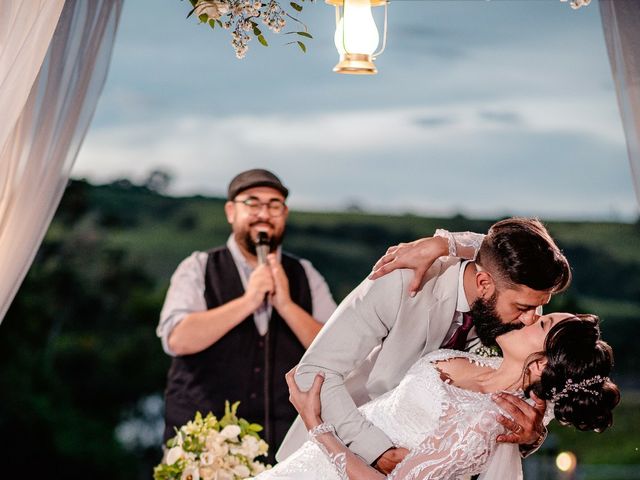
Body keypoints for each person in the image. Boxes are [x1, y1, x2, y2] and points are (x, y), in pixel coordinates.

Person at [278, 218, 572, 473]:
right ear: (483, 283)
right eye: (522, 307)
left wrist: (530, 435)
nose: (530, 320)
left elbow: (500, 249)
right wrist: (376, 451)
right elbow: (315, 371)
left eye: (539, 309)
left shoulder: (520, 319)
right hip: (335, 454)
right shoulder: (402, 281)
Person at [257, 313, 619, 479]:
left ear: (540, 367)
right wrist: (445, 243)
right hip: (306, 465)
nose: (528, 317)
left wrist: (316, 424)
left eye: (540, 324)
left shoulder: (485, 423)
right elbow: (502, 252)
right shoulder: (482, 358)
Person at [156, 168, 337, 460]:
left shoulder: (305, 273)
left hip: (288, 452)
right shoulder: (198, 267)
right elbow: (178, 339)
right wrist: (249, 300)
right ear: (231, 211)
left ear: (284, 213)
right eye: (252, 203)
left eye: (274, 205)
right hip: (204, 450)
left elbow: (335, 350)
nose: (263, 213)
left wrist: (287, 306)